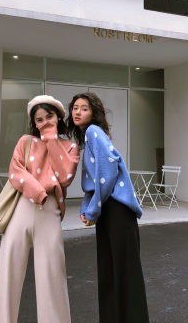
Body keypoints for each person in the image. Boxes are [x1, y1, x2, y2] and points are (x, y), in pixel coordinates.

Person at [0, 95, 79, 323]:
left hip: (50, 211)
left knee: (52, 275)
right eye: (39, 120)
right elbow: (15, 171)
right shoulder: (25, 141)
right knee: (8, 272)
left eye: (49, 116)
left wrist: (51, 140)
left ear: (58, 117)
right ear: (34, 123)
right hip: (22, 207)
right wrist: (38, 192)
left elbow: (65, 176)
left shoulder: (70, 147)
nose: (45, 122)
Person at [67, 92, 150, 323]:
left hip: (116, 209)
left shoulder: (93, 131)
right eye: (75, 108)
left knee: (123, 271)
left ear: (93, 113)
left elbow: (108, 170)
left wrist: (93, 210)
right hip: (109, 209)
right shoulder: (89, 136)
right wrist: (87, 206)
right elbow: (94, 181)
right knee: (111, 270)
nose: (78, 112)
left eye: (84, 108)